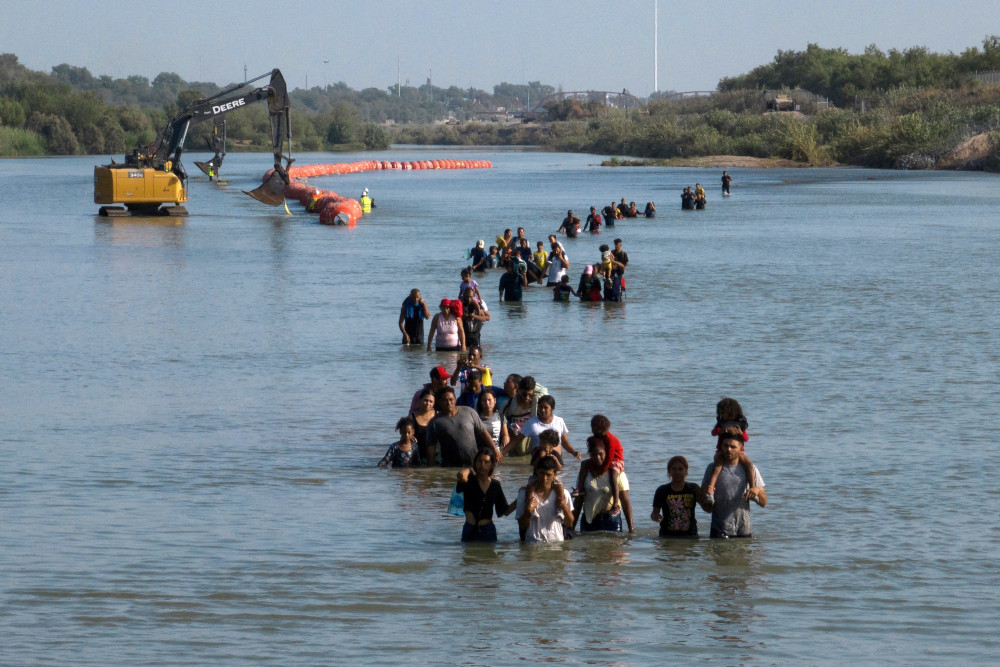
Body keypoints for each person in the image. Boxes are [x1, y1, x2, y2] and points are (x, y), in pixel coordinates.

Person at [701, 426, 766, 538]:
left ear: (741, 449)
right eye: (725, 446)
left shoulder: (751, 469)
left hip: (744, 530)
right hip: (719, 531)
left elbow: (763, 502)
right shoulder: (712, 469)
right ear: (720, 446)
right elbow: (706, 509)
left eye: (733, 447)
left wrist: (756, 491)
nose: (728, 449)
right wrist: (706, 497)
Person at [574, 435, 634, 533]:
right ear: (589, 454)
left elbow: (625, 501)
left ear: (607, 453)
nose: (597, 457)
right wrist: (570, 529)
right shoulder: (585, 473)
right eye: (594, 454)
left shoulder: (617, 473)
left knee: (613, 548)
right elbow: (578, 502)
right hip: (589, 520)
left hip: (611, 520)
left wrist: (631, 528)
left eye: (600, 454)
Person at [426, 386, 497, 467]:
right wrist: (430, 470)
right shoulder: (434, 422)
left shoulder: (469, 412)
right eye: (444, 400)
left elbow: (483, 432)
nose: (448, 402)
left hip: (474, 463)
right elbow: (431, 448)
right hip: (450, 466)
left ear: (455, 399)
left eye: (451, 399)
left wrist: (495, 450)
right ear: (439, 402)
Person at [455, 448, 513, 542]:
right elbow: (461, 476)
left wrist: (521, 499)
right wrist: (470, 470)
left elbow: (504, 511)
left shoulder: (495, 485)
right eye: (479, 461)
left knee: (489, 556)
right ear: (475, 462)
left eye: (486, 462)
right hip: (469, 528)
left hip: (488, 530)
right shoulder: (469, 481)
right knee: (468, 556)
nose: (482, 465)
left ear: (492, 464)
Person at [515, 456, 574, 542]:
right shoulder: (523, 494)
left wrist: (564, 507)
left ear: (555, 474)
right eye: (541, 473)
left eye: (548, 474)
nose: (544, 478)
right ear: (536, 472)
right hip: (533, 545)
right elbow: (522, 526)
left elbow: (569, 523)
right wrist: (528, 511)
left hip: (557, 546)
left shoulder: (564, 494)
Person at [705, 397, 754, 499]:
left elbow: (746, 438)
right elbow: (713, 433)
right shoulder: (721, 425)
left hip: (739, 452)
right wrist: (724, 430)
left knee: (749, 465)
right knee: (717, 465)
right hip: (721, 451)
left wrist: (740, 433)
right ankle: (710, 491)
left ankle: (753, 487)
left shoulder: (740, 425)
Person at [652, 455, 708, 537]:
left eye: (680, 469)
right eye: (673, 469)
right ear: (669, 471)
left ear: (686, 471)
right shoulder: (662, 490)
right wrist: (656, 517)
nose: (677, 472)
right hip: (667, 536)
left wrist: (707, 495)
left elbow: (706, 508)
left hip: (690, 536)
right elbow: (654, 513)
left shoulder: (693, 488)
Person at [520, 394, 581, 460]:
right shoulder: (531, 422)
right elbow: (517, 439)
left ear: (552, 409)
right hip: (538, 457)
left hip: (556, 457)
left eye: (546, 407)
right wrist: (506, 450)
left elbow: (564, 442)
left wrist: (573, 452)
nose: (542, 410)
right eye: (540, 407)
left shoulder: (559, 421)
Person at [501, 375, 539, 454]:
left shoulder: (536, 406)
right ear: (519, 390)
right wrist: (505, 435)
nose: (527, 398)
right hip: (513, 445)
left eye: (530, 395)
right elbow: (501, 419)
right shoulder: (509, 404)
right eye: (524, 394)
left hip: (530, 446)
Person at [408, 388, 437, 461]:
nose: (428, 403)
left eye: (431, 401)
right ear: (420, 400)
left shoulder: (438, 415)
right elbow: (404, 433)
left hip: (436, 456)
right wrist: (408, 436)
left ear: (434, 403)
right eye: (425, 400)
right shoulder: (412, 417)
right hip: (418, 456)